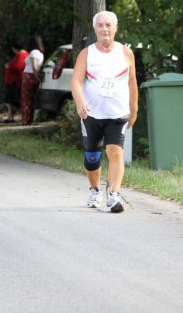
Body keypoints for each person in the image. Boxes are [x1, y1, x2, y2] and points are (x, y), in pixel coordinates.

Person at [71, 11, 138, 213]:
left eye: (108, 25)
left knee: (115, 151)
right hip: (91, 114)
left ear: (115, 28)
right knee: (92, 157)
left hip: (117, 113)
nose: (105, 29)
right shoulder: (87, 54)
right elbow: (75, 81)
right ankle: (94, 191)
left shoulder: (126, 53)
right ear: (95, 29)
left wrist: (134, 108)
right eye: (100, 25)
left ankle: (114, 195)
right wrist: (80, 101)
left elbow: (132, 81)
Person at [21, 34, 44, 125]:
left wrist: (37, 77)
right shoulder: (41, 54)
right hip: (34, 76)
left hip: (29, 76)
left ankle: (26, 120)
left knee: (26, 99)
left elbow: (34, 67)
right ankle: (29, 119)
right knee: (32, 98)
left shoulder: (33, 52)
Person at [4, 41, 29, 123]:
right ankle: (10, 116)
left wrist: (9, 66)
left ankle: (21, 116)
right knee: (10, 100)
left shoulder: (22, 55)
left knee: (14, 100)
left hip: (15, 81)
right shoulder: (22, 55)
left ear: (15, 48)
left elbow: (18, 66)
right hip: (13, 81)